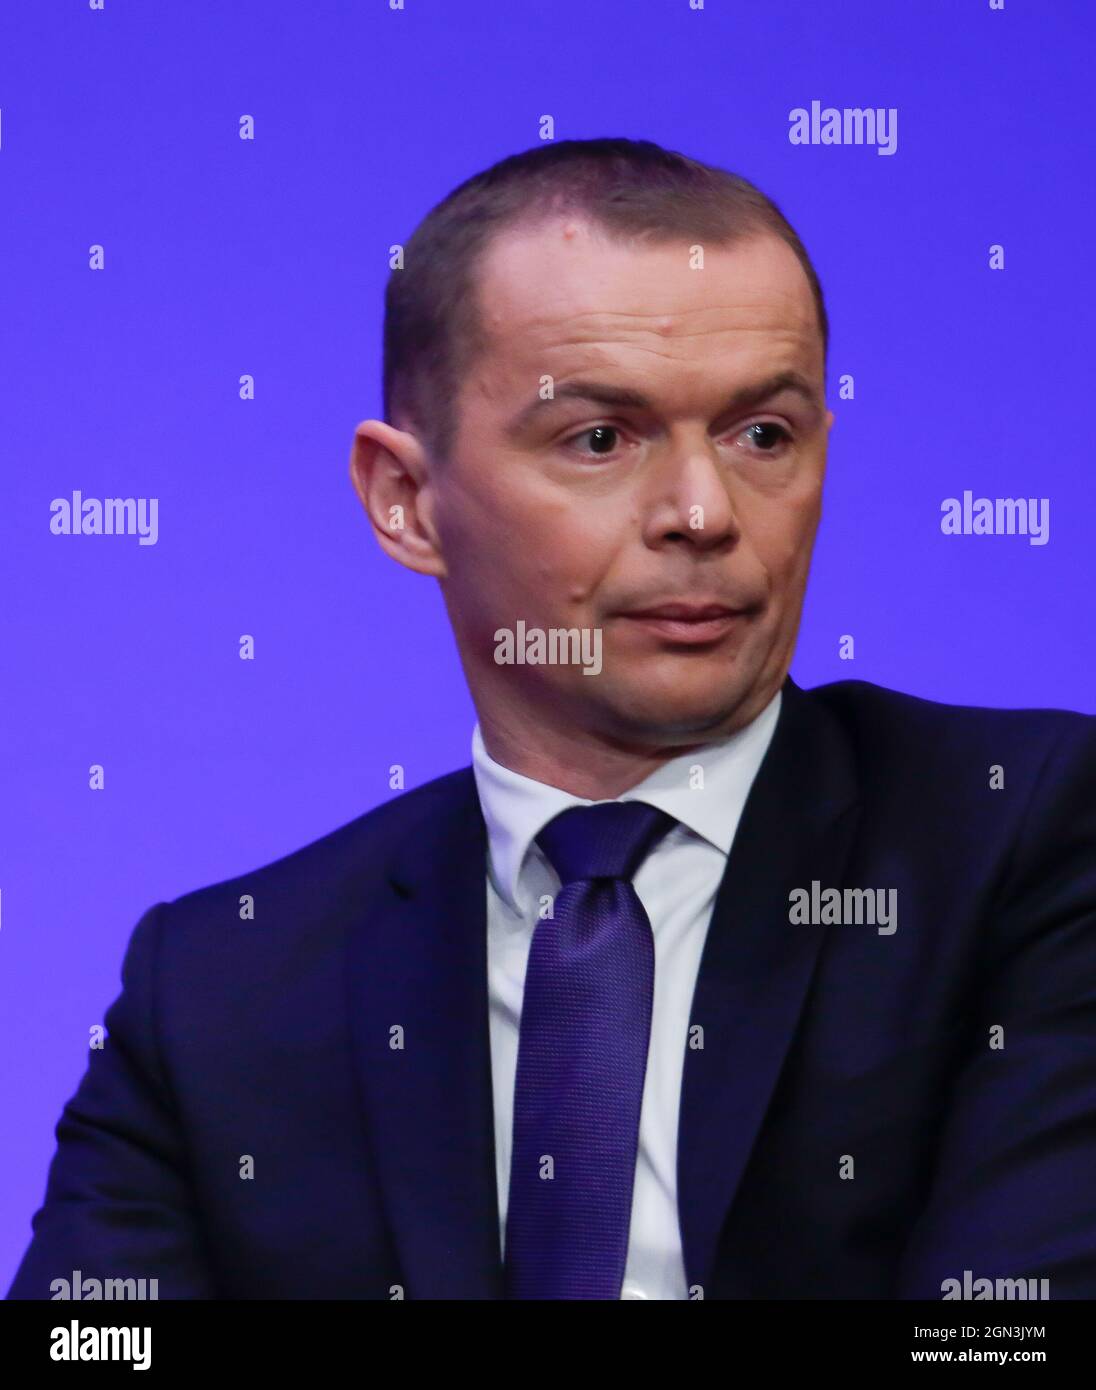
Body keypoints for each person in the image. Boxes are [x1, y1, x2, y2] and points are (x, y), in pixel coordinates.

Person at [9, 138, 1096, 1301]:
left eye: (760, 434)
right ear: (407, 502)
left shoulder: (1019, 837)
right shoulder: (221, 982)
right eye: (599, 438)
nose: (701, 511)